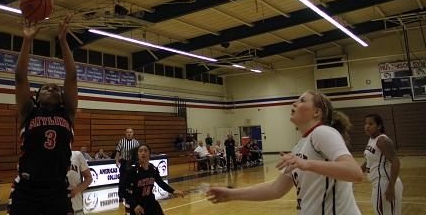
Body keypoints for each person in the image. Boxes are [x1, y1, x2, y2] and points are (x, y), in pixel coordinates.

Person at [207, 90, 363, 214]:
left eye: (302, 100)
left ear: (317, 112)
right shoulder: (300, 146)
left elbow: (355, 173)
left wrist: (306, 164)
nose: (294, 103)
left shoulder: (323, 132)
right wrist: (231, 194)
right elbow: (275, 189)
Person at [8, 14, 77, 215]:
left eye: (55, 88)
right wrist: (27, 40)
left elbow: (71, 77)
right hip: (27, 188)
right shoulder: (28, 111)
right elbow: (20, 77)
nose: (51, 89)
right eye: (45, 88)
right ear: (36, 97)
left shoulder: (68, 113)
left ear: (62, 97)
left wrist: (63, 40)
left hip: (57, 189)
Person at [123, 144, 184, 215]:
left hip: (150, 201)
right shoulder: (132, 170)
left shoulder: (153, 169)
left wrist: (173, 191)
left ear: (149, 154)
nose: (143, 153)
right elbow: (124, 190)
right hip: (136, 204)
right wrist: (135, 205)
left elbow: (161, 183)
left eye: (145, 151)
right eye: (140, 151)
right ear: (138, 154)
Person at [362, 114, 403, 215]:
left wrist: (391, 187)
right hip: (378, 183)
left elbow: (395, 161)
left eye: (370, 124)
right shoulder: (372, 139)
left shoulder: (382, 140)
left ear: (379, 126)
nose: (367, 126)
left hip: (385, 183)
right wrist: (356, 172)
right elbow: (369, 161)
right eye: (365, 124)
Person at [115, 128, 140, 205]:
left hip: (133, 162)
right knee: (122, 180)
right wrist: (116, 161)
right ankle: (120, 196)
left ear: (133, 133)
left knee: (134, 179)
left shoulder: (136, 142)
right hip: (124, 162)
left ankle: (133, 194)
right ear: (125, 133)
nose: (129, 133)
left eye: (130, 132)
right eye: (127, 132)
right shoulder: (121, 141)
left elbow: (138, 153)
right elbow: (118, 152)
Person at [67, 150, 93, 215]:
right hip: (56, 206)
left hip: (76, 207)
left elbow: (89, 178)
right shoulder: (50, 157)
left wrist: (76, 190)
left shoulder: (77, 155)